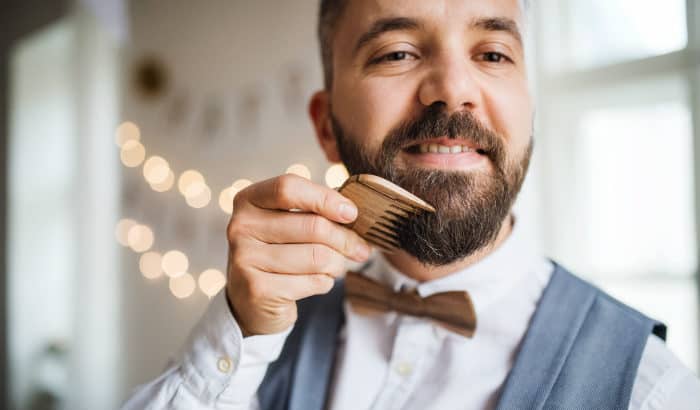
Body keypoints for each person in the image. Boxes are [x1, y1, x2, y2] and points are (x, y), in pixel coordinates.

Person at [122, 0, 700, 409]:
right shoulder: (258, 351)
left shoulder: (650, 392)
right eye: (397, 53)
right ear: (327, 127)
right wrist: (240, 331)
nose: (453, 87)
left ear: (530, 111)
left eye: (494, 54)